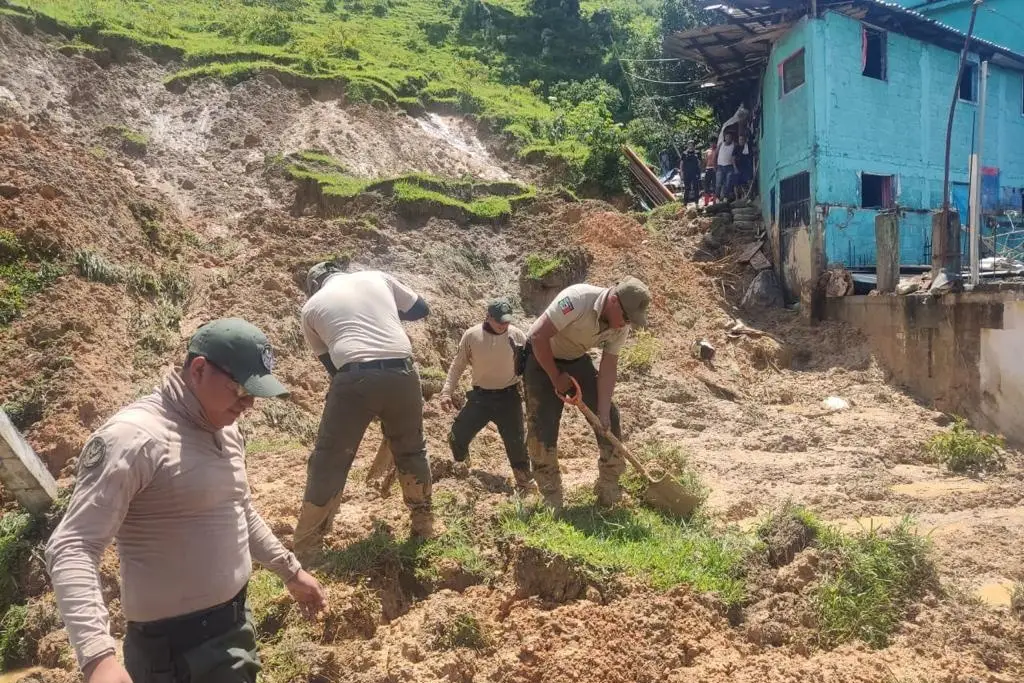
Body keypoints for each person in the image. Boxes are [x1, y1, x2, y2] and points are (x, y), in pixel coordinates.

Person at [45, 318, 326, 683]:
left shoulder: (225, 430)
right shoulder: (134, 439)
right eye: (241, 390)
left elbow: (238, 509)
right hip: (173, 655)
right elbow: (73, 545)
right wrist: (98, 658)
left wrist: (290, 571)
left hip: (234, 628)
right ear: (198, 370)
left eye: (255, 394)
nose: (249, 405)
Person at [294, 262, 435, 563]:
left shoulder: (311, 308)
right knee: (411, 450)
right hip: (403, 373)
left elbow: (334, 368)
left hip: (354, 376)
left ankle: (308, 546)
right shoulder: (377, 277)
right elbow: (422, 309)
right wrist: (383, 314)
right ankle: (423, 524)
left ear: (316, 286)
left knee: (330, 459)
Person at [523, 277, 651, 512]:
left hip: (575, 358)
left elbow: (608, 367)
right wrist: (555, 376)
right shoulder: (577, 299)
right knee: (543, 424)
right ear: (613, 301)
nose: (625, 325)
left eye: (630, 321)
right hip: (541, 357)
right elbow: (538, 337)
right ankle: (550, 492)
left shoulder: (620, 325)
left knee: (610, 416)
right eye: (625, 318)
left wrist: (601, 413)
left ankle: (609, 485)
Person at [438, 298, 533, 493]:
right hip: (480, 399)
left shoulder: (517, 335)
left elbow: (530, 367)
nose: (504, 325)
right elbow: (458, 365)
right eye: (499, 321)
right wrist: (446, 391)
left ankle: (524, 482)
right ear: (488, 317)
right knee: (457, 436)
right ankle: (463, 469)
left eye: (507, 321)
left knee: (517, 446)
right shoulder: (472, 336)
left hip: (509, 398)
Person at [715, 130, 736, 201]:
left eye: (730, 137)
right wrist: (715, 165)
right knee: (718, 183)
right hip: (720, 166)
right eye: (727, 137)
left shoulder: (734, 145)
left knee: (728, 183)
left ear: (732, 138)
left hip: (729, 167)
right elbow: (716, 154)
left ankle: (725, 197)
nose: (728, 138)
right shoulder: (721, 144)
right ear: (724, 137)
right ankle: (717, 198)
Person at [733, 132, 755, 198]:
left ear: (745, 140)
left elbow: (754, 151)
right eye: (740, 139)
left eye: (742, 139)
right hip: (739, 168)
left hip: (747, 167)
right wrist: (735, 168)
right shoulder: (736, 148)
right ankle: (738, 198)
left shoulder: (748, 146)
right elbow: (733, 158)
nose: (741, 141)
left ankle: (750, 196)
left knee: (749, 181)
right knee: (737, 184)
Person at [702, 138, 718, 205]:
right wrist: (704, 168)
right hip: (708, 169)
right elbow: (705, 161)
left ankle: (714, 201)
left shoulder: (717, 150)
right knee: (706, 185)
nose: (712, 144)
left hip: (715, 169)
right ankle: (706, 201)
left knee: (714, 185)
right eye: (711, 143)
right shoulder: (707, 151)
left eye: (714, 143)